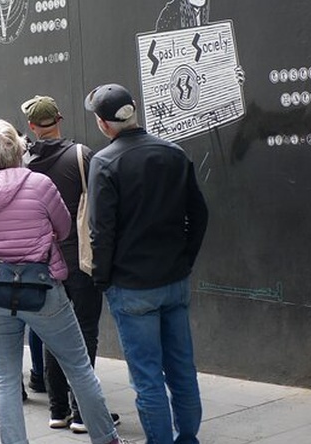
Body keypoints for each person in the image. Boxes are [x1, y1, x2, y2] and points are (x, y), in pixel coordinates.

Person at [0, 119, 122, 444]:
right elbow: (65, 229)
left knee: (7, 376)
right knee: (79, 367)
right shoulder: (39, 184)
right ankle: (106, 439)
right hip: (41, 287)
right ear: (18, 149)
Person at [84, 84, 209, 444]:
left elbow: (101, 230)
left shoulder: (105, 162)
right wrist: (186, 259)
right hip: (173, 278)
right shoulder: (173, 153)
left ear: (104, 125)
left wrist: (101, 278)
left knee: (147, 377)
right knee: (182, 368)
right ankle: (187, 438)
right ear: (134, 110)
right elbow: (198, 214)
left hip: (131, 285)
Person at [22, 95, 119, 433]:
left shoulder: (24, 164)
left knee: (51, 333)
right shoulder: (81, 155)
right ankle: (82, 413)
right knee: (85, 332)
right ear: (60, 119)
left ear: (32, 127)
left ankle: (57, 409)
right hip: (81, 258)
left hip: (44, 261)